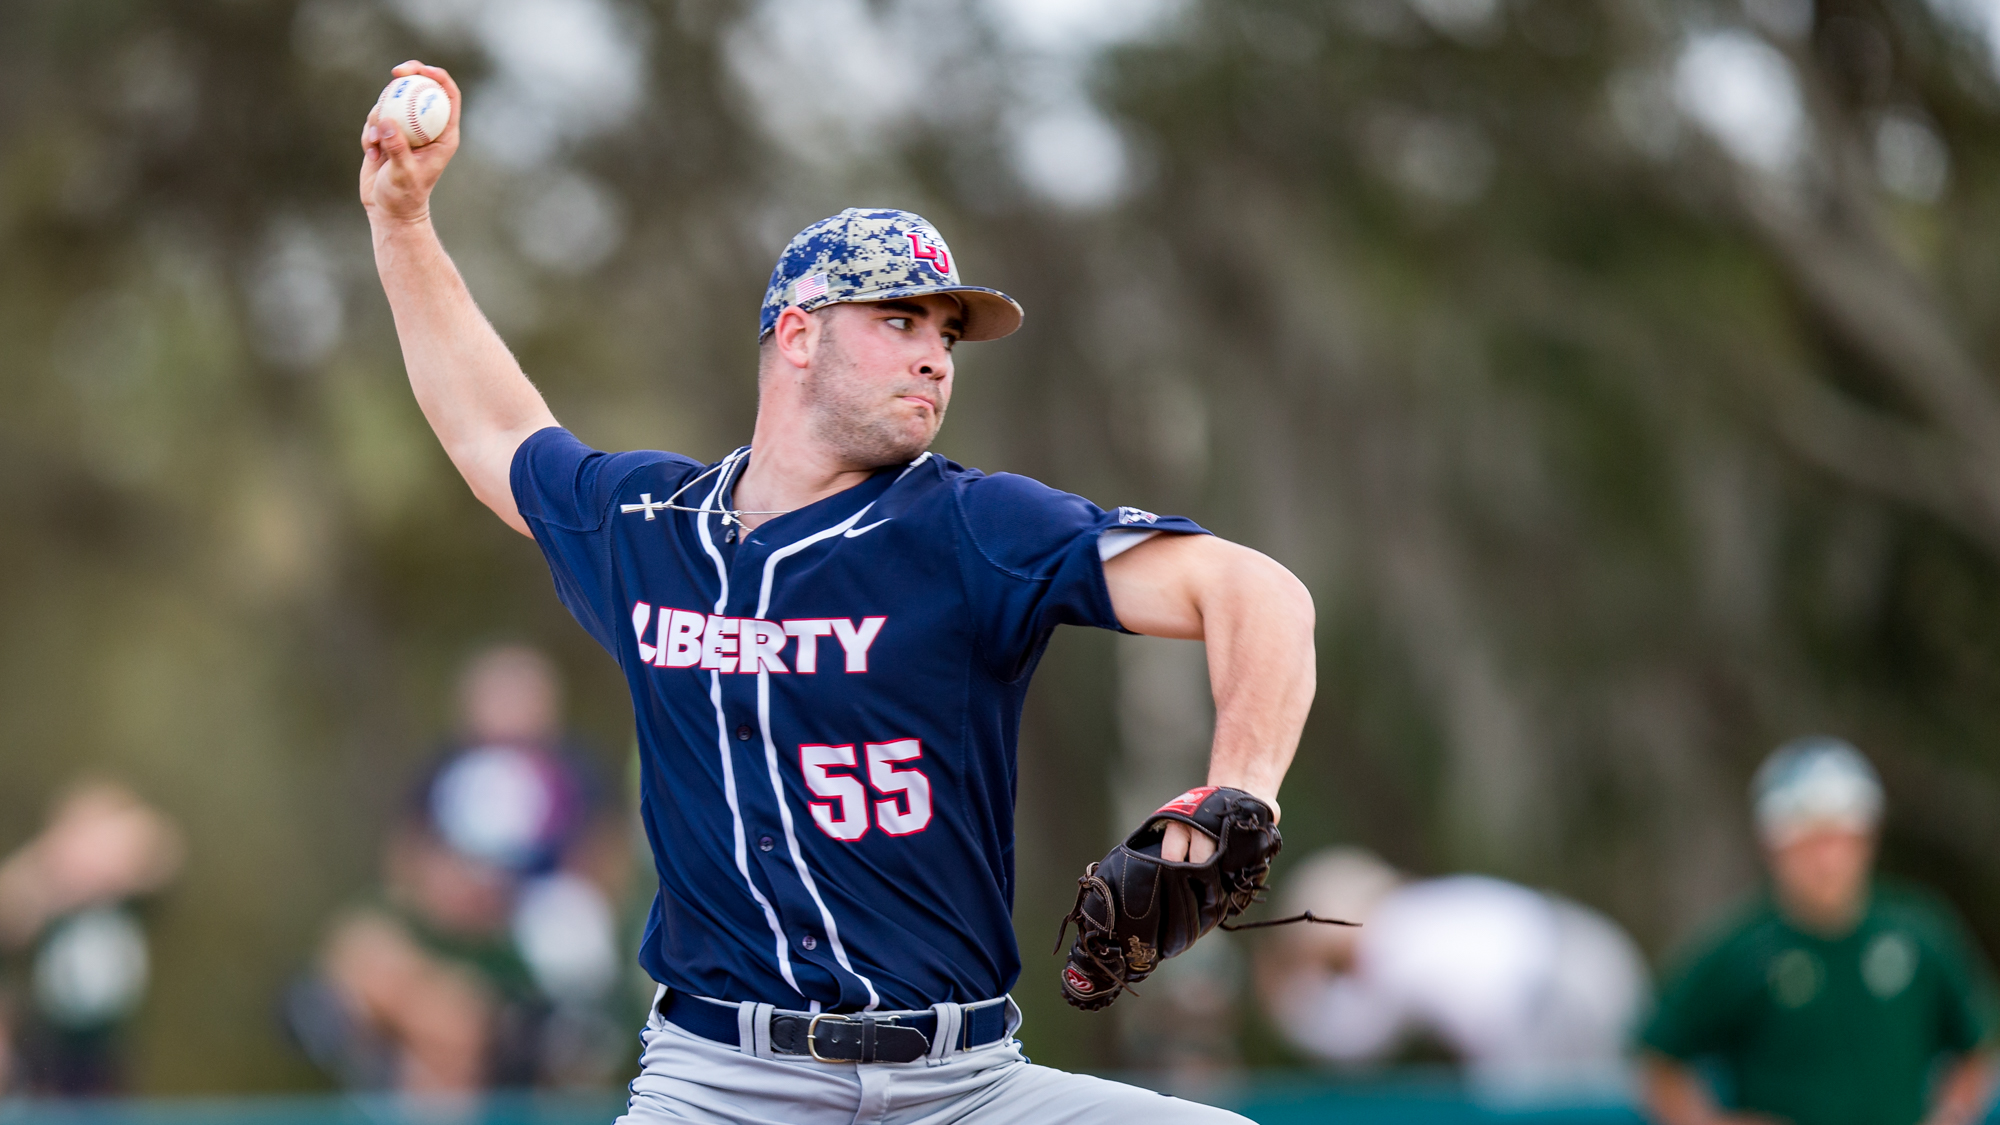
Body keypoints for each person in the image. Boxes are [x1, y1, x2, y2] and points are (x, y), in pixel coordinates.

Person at [359, 59, 1316, 1125]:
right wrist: (400, 222)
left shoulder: (969, 527)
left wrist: (1236, 798)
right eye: (898, 322)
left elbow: (1255, 592)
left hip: (966, 1086)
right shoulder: (645, 528)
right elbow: (492, 427)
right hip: (722, 1086)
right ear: (799, 333)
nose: (934, 359)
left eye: (945, 335)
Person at [296, 645, 630, 1093]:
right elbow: (405, 862)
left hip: (538, 941)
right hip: (444, 941)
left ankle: (522, 1036)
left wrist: (504, 902)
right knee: (365, 946)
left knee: (560, 934)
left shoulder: (578, 770)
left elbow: (605, 870)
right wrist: (444, 892)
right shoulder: (442, 768)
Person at [1641, 737, 2000, 1125]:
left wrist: (1952, 1113)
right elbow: (1658, 1056)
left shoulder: (1919, 932)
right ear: (1774, 847)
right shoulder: (1740, 948)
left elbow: (1977, 1042)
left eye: (1841, 840)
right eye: (1809, 843)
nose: (1827, 861)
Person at [1257, 847, 1647, 1095]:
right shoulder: (1418, 910)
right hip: (1586, 958)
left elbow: (1355, 1040)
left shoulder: (1386, 935)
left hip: (1554, 998)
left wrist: (1287, 1001)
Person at [0, 779, 185, 1096]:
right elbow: (12, 907)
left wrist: (105, 855)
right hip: (47, 1047)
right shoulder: (46, 896)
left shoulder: (130, 900)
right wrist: (54, 869)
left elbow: (163, 852)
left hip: (108, 1052)